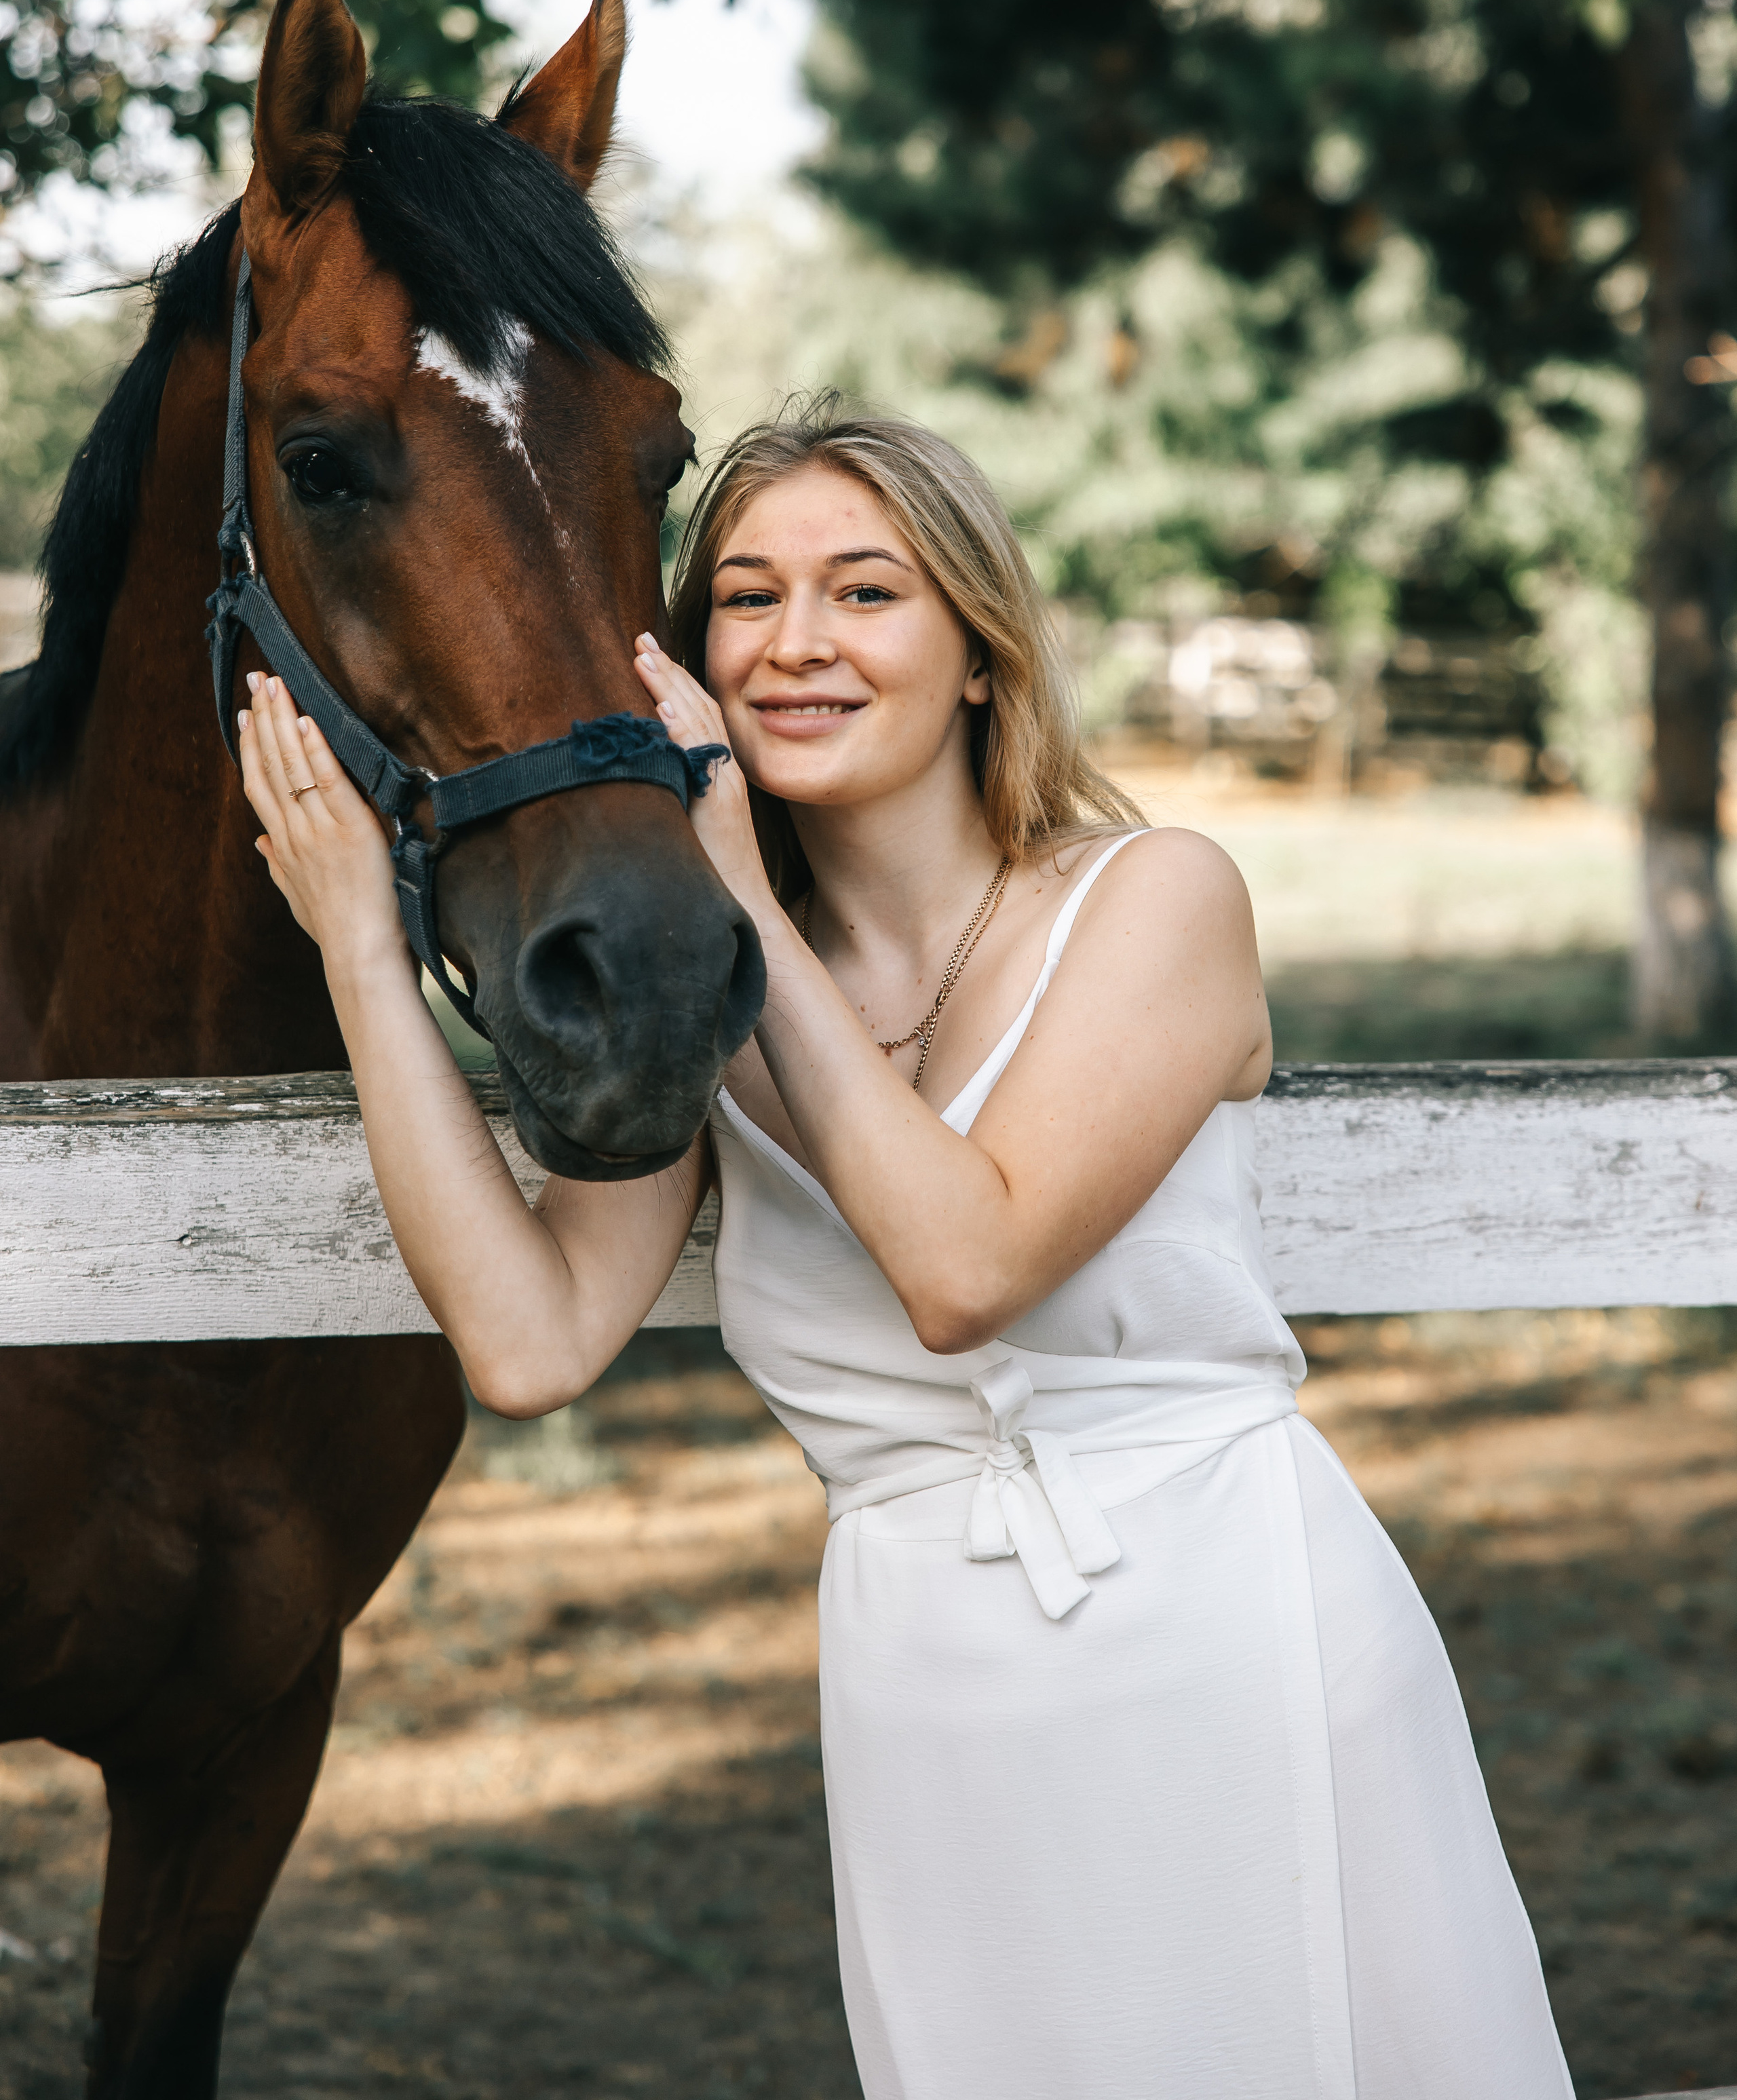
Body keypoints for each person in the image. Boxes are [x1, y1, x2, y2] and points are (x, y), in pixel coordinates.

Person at [239, 396, 1573, 2100]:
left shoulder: (1155, 899)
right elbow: (530, 1341)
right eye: (743, 596)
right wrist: (363, 951)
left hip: (1234, 1627)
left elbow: (964, 1266)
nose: (796, 643)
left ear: (974, 653)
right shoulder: (699, 1013)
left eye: (865, 593)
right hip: (928, 1693)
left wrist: (736, 894)